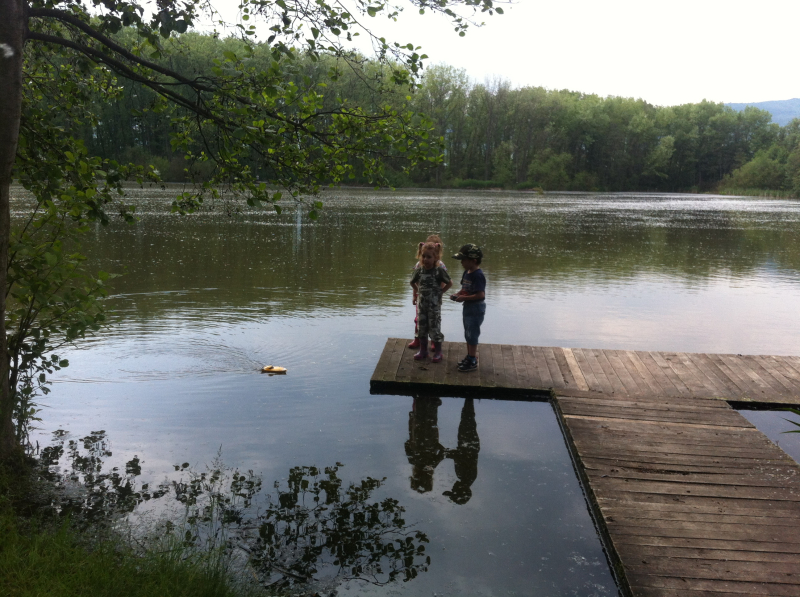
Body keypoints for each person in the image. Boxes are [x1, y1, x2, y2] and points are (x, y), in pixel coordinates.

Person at [409, 241, 452, 363]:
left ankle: (438, 352)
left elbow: (450, 283)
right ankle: (423, 351)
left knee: (435, 327)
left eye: (429, 257)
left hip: (434, 306)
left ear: (435, 257)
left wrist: (441, 292)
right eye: (423, 256)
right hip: (422, 305)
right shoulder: (420, 270)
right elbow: (412, 282)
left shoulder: (438, 270)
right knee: (421, 327)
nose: (425, 259)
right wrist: (418, 292)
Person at [451, 244, 486, 373]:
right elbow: (464, 289)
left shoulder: (478, 275)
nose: (461, 262)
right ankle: (470, 356)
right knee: (468, 333)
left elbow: (481, 295)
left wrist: (465, 298)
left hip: (476, 308)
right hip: (467, 307)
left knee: (472, 334)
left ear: (473, 261)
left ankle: (472, 360)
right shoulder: (467, 272)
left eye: (463, 260)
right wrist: (458, 294)